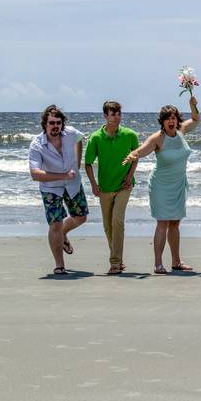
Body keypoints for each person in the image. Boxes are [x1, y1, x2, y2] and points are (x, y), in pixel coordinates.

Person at [124, 97, 200, 274]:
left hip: (179, 184)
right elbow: (141, 150)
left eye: (174, 117)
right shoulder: (158, 138)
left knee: (175, 223)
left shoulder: (181, 130)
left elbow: (196, 119)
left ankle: (176, 261)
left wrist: (193, 105)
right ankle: (158, 263)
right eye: (167, 118)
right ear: (162, 122)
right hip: (161, 185)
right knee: (163, 222)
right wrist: (132, 155)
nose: (171, 121)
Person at [28, 105, 88, 275]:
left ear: (63, 124)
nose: (55, 126)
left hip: (73, 183)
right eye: (52, 123)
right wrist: (61, 175)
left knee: (81, 217)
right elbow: (35, 174)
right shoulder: (37, 145)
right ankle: (59, 265)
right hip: (50, 188)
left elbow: (79, 140)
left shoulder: (70, 133)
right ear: (45, 124)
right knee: (55, 224)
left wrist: (77, 164)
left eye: (58, 123)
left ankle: (62, 235)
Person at [84, 100, 139, 275]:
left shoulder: (130, 135)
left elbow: (135, 157)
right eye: (113, 114)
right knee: (108, 226)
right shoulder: (96, 137)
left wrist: (129, 177)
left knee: (117, 221)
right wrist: (93, 184)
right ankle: (118, 258)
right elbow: (87, 163)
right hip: (105, 187)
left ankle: (115, 262)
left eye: (118, 114)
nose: (116, 117)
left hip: (124, 185)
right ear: (105, 116)